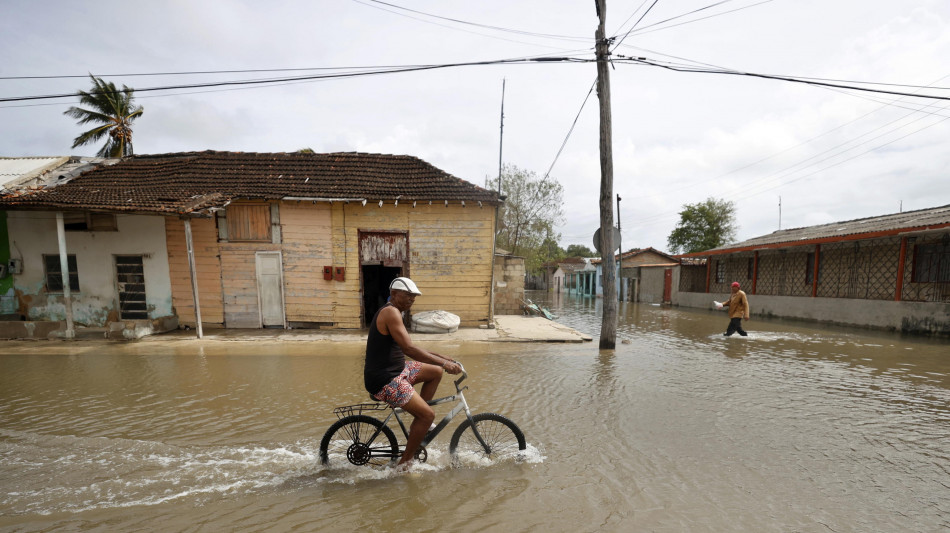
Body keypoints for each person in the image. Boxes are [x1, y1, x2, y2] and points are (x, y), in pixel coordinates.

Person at [364, 277, 462, 468]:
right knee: (428, 415)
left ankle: (419, 426)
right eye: (408, 296)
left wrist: (441, 358)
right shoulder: (390, 313)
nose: (412, 300)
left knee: (435, 372)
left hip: (398, 370)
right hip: (385, 379)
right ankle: (405, 463)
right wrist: (445, 363)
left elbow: (409, 347)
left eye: (414, 297)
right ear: (394, 294)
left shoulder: (395, 313)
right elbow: (409, 349)